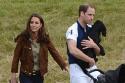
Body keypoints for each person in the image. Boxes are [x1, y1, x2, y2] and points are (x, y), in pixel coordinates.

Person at [10, 13, 68, 83]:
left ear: (41, 25)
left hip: (39, 75)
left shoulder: (45, 39)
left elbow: (54, 52)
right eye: (31, 22)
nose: (33, 25)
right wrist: (13, 76)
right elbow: (16, 57)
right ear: (29, 24)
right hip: (25, 75)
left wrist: (63, 64)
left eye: (36, 23)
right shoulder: (23, 38)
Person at [66, 3, 102, 83]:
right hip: (77, 68)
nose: (92, 18)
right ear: (82, 13)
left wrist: (94, 45)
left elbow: (99, 52)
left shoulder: (91, 29)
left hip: (92, 67)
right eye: (89, 15)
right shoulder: (73, 29)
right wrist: (89, 59)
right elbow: (72, 50)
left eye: (93, 15)